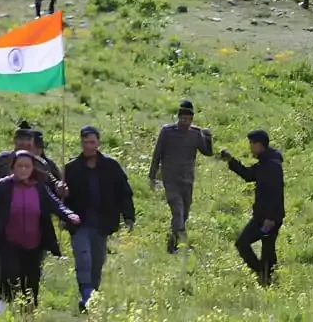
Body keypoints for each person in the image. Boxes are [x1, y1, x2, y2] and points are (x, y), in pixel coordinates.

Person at [0, 151, 80, 312]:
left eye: (27, 166)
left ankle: (29, 313)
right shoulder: (4, 185)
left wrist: (69, 215)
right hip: (9, 242)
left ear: (32, 168)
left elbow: (55, 204)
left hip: (34, 244)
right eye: (20, 166)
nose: (23, 169)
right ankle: (3, 308)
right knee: (10, 275)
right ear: (13, 167)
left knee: (31, 282)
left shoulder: (39, 188)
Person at [64, 126, 135, 310]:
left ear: (98, 143)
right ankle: (86, 293)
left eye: (92, 142)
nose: (89, 146)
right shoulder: (71, 168)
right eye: (86, 142)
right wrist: (62, 194)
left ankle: (91, 296)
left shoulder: (111, 166)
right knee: (83, 257)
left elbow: (124, 192)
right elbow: (62, 199)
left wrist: (128, 216)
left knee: (97, 261)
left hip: (102, 224)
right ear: (81, 143)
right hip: (79, 223)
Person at [220, 129, 285, 286]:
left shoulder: (271, 166)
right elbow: (249, 175)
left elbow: (275, 193)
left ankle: (265, 279)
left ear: (260, 145)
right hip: (262, 216)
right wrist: (231, 161)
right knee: (252, 245)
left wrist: (270, 218)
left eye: (252, 144)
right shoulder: (264, 163)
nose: (250, 147)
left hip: (269, 217)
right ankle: (264, 276)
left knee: (263, 248)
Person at [149, 100, 213, 253]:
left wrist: (208, 137)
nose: (185, 121)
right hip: (170, 178)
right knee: (177, 209)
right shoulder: (167, 132)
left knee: (184, 213)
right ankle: (182, 241)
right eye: (182, 118)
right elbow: (157, 154)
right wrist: (152, 176)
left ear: (192, 119)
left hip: (187, 179)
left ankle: (172, 242)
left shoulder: (196, 134)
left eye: (188, 118)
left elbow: (208, 152)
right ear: (178, 117)